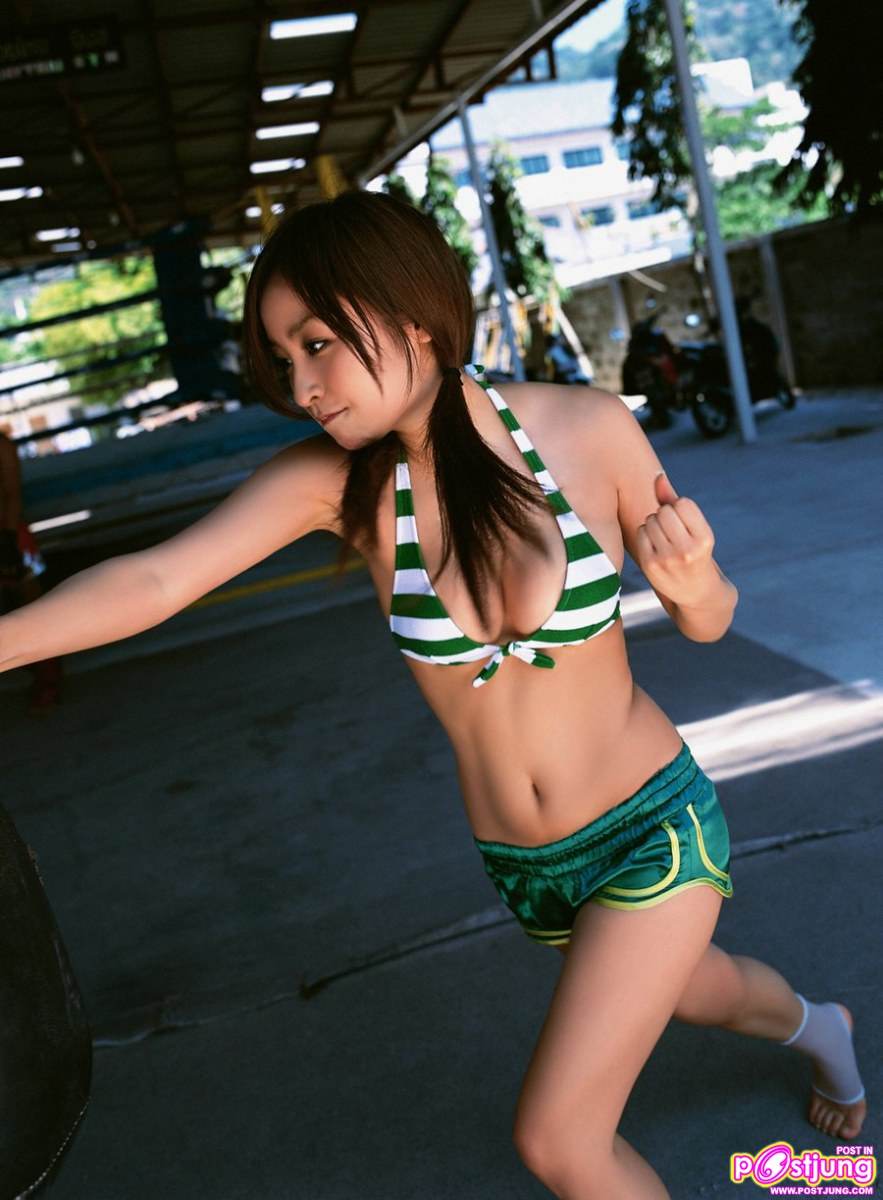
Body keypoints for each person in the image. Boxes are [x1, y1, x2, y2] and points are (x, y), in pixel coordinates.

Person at [0, 191, 866, 1197]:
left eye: (317, 343)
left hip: (650, 830)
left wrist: (694, 579)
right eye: (282, 358)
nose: (302, 385)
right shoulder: (340, 483)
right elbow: (154, 580)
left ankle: (814, 1033)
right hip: (526, 868)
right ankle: (823, 1029)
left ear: (410, 314)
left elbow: (708, 619)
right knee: (702, 991)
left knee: (559, 1140)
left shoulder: (585, 427)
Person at [0, 429, 64, 713]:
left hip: (10, 537)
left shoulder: (2, 446)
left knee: (32, 610)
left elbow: (13, 494)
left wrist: (7, 540)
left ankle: (48, 680)